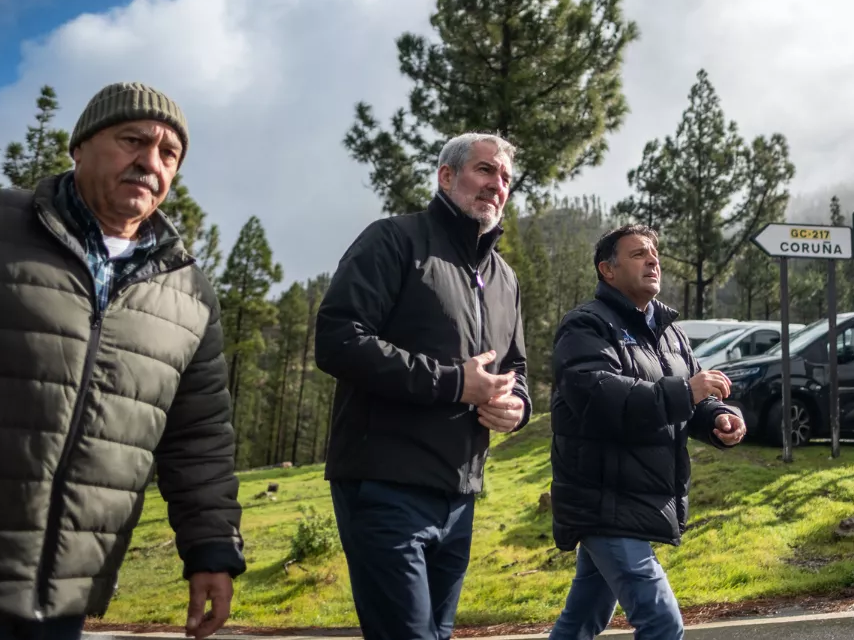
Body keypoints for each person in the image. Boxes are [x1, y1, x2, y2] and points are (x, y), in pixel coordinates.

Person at [0, 82, 245, 640]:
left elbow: (198, 438)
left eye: (168, 153)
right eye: (133, 140)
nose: (150, 162)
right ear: (80, 146)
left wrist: (211, 550)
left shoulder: (189, 294)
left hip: (65, 596)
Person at [314, 132, 532, 640]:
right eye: (484, 170)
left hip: (460, 495)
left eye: (504, 178)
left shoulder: (505, 278)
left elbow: (515, 366)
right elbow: (337, 340)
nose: (495, 185)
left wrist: (515, 405)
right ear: (447, 176)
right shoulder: (392, 240)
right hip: (384, 483)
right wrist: (456, 383)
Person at [547, 224, 746, 639]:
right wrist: (688, 392)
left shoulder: (670, 331)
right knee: (661, 622)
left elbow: (691, 399)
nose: (653, 260)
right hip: (604, 500)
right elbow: (601, 399)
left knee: (583, 620)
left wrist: (717, 419)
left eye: (654, 253)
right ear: (608, 270)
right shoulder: (585, 326)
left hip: (638, 499)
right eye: (638, 254)